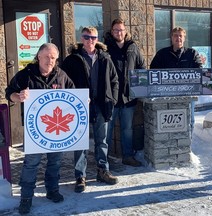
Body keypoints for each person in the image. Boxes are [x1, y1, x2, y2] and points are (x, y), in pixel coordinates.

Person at [5, 43, 75, 214]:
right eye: (46, 57)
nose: (50, 60)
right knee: (31, 164)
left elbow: (73, 93)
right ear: (38, 57)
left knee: (55, 162)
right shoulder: (26, 75)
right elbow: (9, 93)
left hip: (57, 131)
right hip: (35, 130)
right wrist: (19, 96)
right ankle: (26, 197)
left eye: (53, 57)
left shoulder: (62, 75)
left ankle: (52, 190)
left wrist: (82, 101)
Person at [62, 26, 119, 193]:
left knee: (102, 141)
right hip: (80, 106)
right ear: (81, 38)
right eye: (87, 37)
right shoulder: (72, 59)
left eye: (93, 37)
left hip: (102, 105)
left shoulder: (105, 58)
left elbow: (114, 80)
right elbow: (64, 81)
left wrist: (112, 99)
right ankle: (80, 176)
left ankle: (103, 171)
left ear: (97, 39)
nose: (90, 40)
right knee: (80, 142)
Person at [104, 18, 145, 167]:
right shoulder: (105, 47)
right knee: (107, 131)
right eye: (116, 30)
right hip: (110, 97)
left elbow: (141, 67)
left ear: (125, 31)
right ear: (112, 31)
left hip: (128, 97)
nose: (118, 32)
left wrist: (141, 89)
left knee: (127, 129)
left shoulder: (133, 47)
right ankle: (104, 159)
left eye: (121, 30)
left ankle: (128, 156)